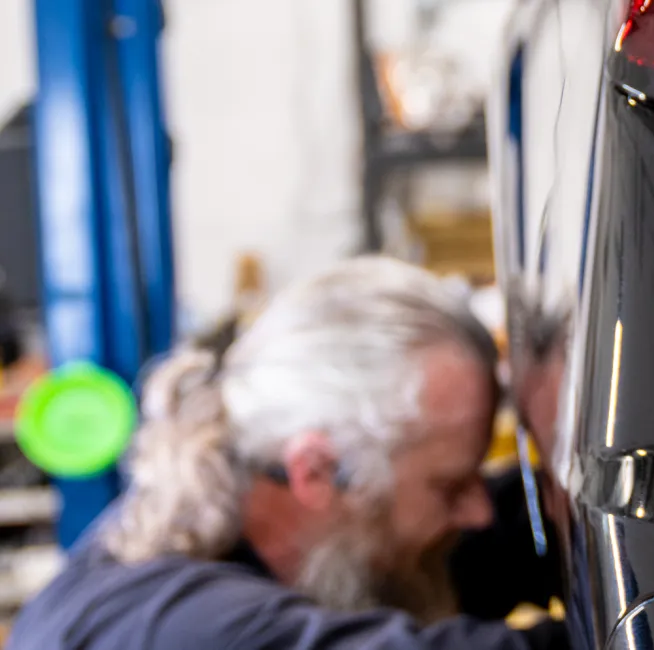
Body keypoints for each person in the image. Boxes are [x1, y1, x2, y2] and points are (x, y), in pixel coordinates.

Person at [12, 257, 568, 650]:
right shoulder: (175, 632)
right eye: (448, 488)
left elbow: (463, 552)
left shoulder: (298, 535)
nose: (477, 511)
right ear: (319, 471)